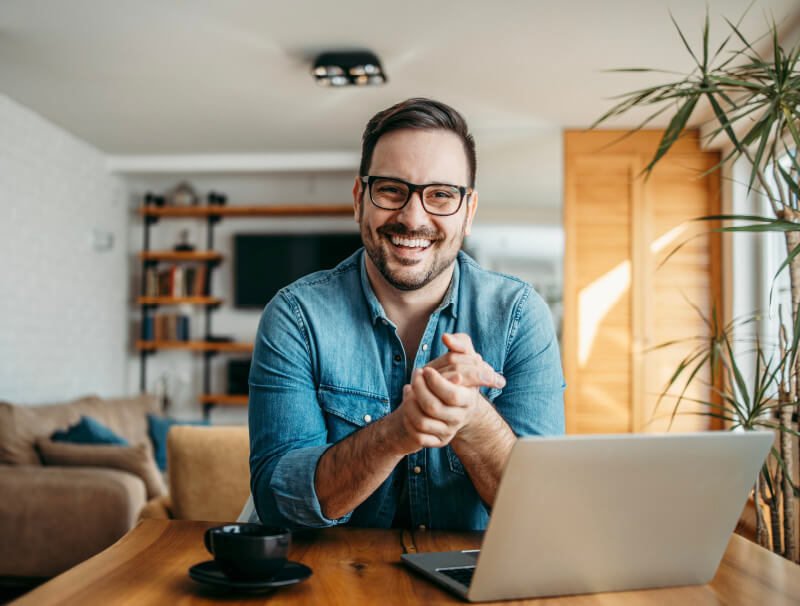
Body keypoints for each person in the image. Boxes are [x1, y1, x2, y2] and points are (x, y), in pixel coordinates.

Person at [245, 98, 565, 531]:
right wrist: (396, 432)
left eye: (440, 195)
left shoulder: (519, 316)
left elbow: (542, 513)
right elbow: (279, 504)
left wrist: (472, 418)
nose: (413, 218)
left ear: (468, 212)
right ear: (360, 199)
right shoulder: (295, 316)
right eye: (392, 189)